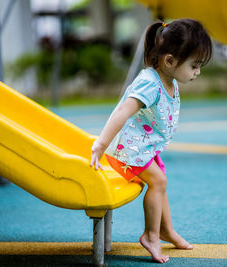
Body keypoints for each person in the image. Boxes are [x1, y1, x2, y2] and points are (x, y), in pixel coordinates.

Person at [90, 18, 212, 263]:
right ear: (170, 61)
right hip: (128, 149)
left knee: (161, 181)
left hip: (144, 146)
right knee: (158, 181)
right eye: (194, 66)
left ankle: (166, 230)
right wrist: (101, 144)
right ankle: (151, 235)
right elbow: (123, 111)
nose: (197, 72)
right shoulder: (149, 83)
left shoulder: (169, 79)